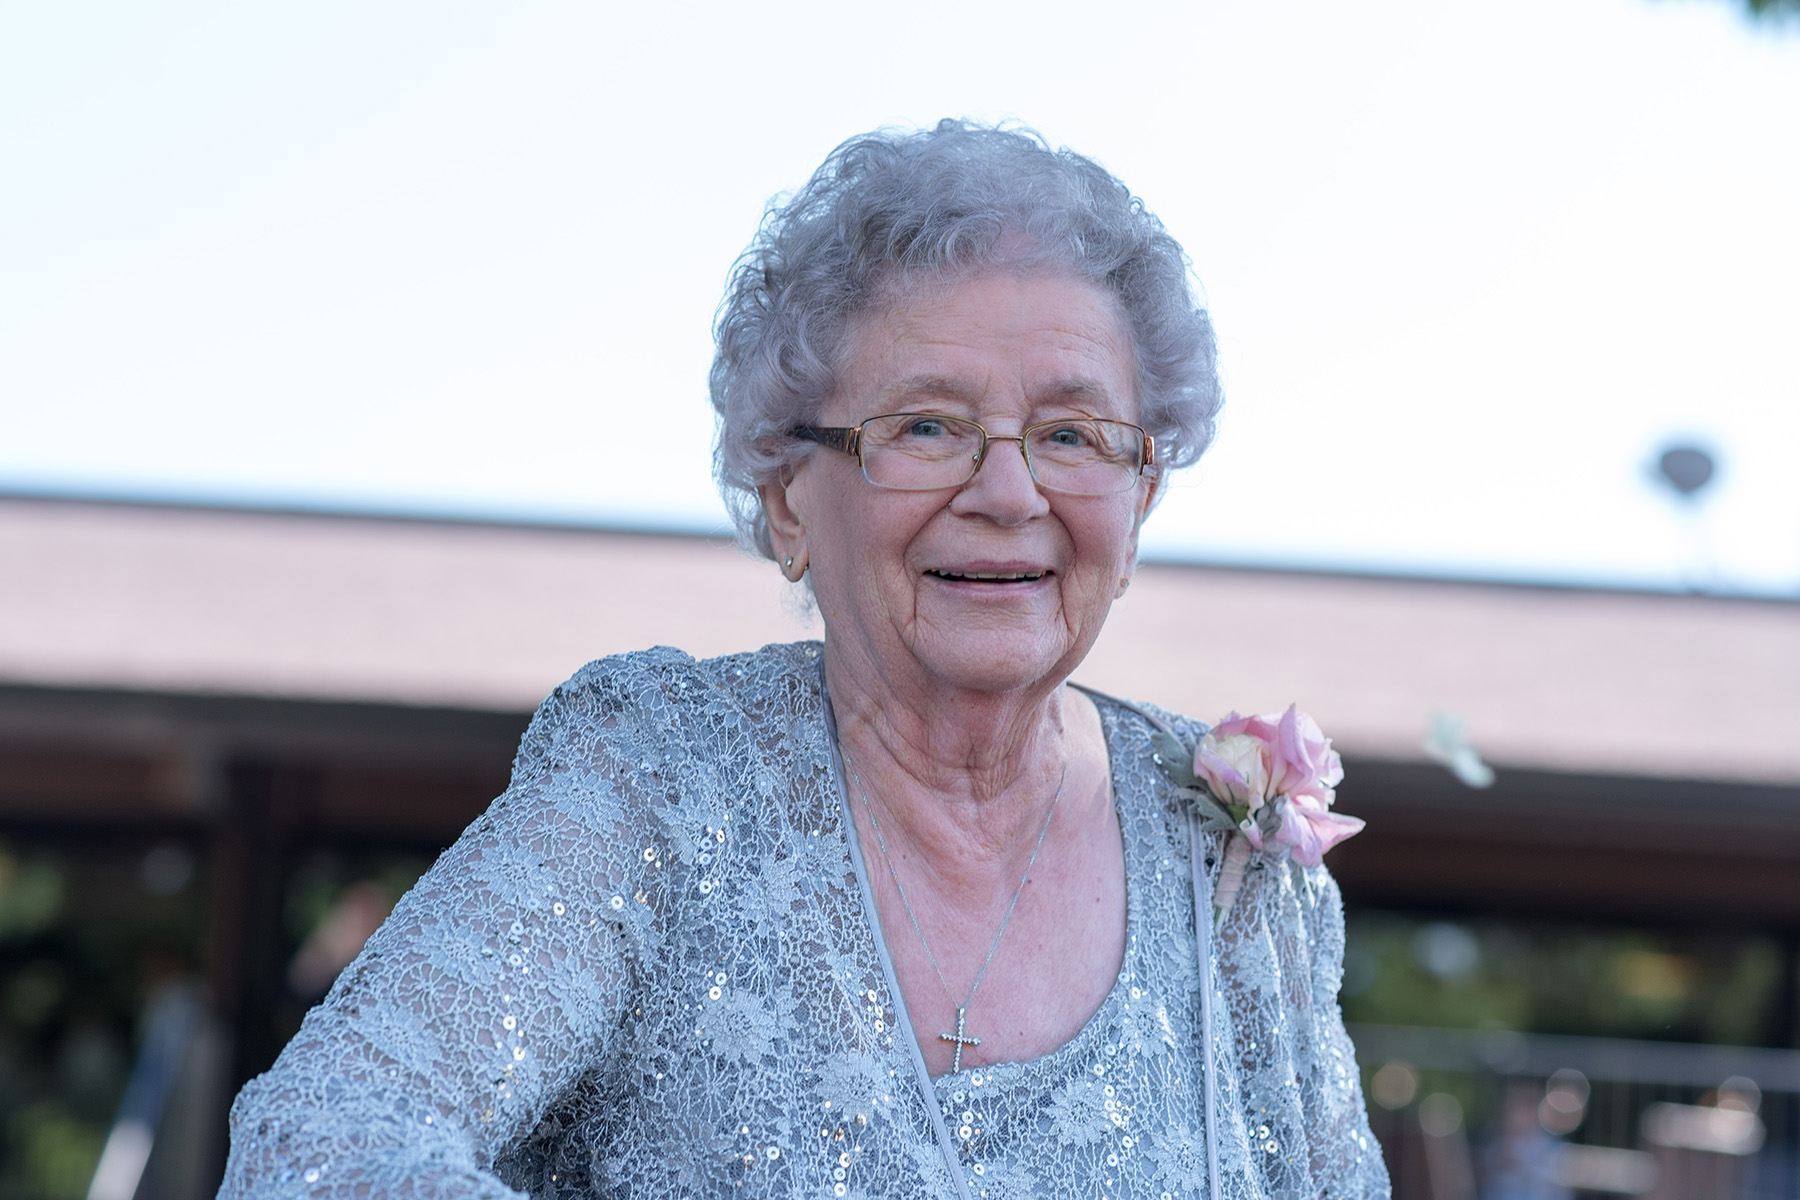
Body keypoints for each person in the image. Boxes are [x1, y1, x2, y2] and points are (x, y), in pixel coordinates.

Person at [217, 120, 1388, 1199]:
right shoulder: (659, 782)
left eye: (1072, 435)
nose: (1008, 492)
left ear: (1138, 499)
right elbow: (320, 1143)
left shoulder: (1231, 855)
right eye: (926, 426)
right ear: (786, 494)